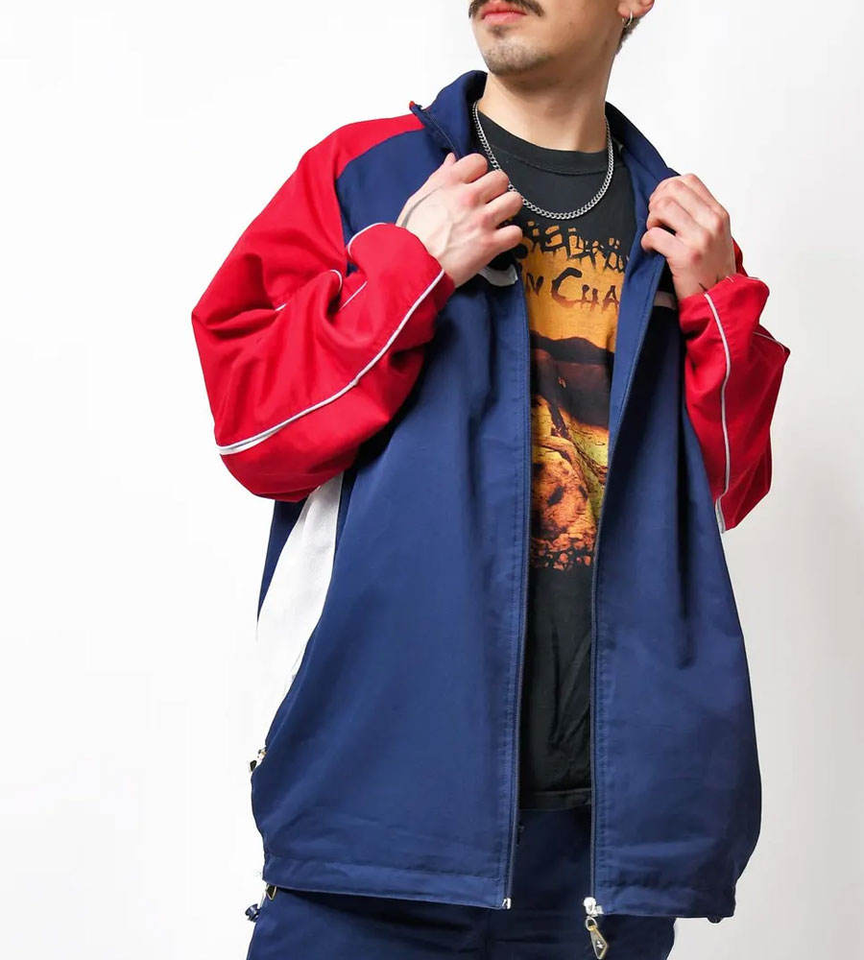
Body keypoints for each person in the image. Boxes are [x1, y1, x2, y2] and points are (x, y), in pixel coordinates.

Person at [190, 2, 791, 957]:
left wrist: (719, 307)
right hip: (377, 833)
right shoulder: (368, 176)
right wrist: (407, 270)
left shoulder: (676, 224)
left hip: (603, 853)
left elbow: (722, 491)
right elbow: (256, 431)